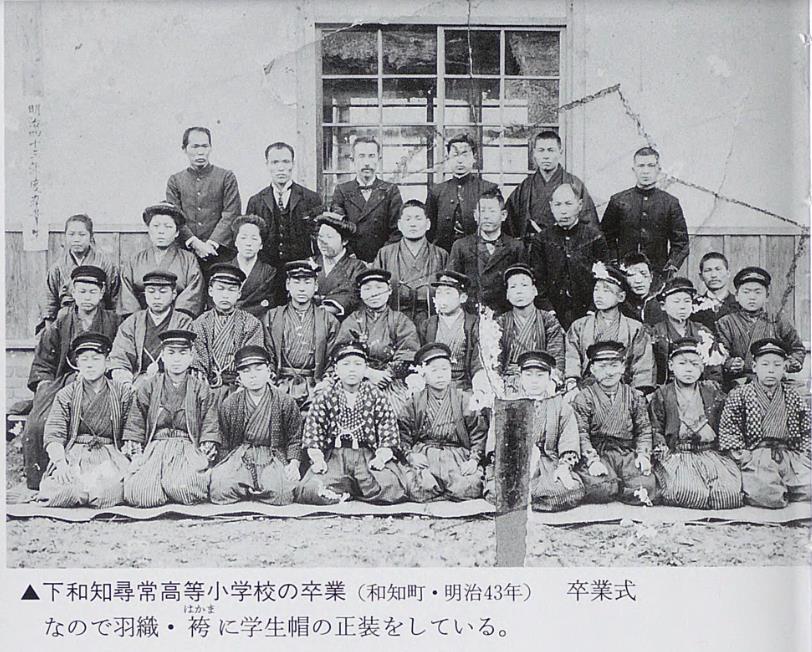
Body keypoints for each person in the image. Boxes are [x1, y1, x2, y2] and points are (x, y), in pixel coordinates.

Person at [22, 265, 121, 490]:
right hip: (63, 380)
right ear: (73, 292)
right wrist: (46, 389)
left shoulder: (114, 321)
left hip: (102, 381)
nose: (87, 297)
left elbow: (121, 356)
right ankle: (40, 480)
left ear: (102, 292)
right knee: (39, 423)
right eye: (82, 291)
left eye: (92, 291)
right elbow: (44, 364)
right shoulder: (61, 321)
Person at [296, 341, 407, 505]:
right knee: (311, 489)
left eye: (358, 364)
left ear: (365, 368)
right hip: (335, 456)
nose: (352, 369)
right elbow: (314, 431)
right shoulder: (325, 397)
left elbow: (388, 430)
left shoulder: (377, 396)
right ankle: (345, 491)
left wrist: (381, 458)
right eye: (346, 364)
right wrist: (318, 459)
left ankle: (351, 489)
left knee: (390, 488)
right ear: (336, 370)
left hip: (367, 454)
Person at [122, 330, 220, 507]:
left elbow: (210, 424)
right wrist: (136, 455)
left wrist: (204, 455)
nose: (176, 359)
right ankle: (160, 486)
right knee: (140, 494)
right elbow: (135, 423)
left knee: (184, 488)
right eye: (171, 353)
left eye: (182, 353)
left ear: (191, 357)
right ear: (163, 356)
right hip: (155, 448)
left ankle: (169, 485)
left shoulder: (201, 389)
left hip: (187, 448)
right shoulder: (149, 386)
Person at [37, 333, 133, 508]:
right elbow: (54, 434)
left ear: (107, 362)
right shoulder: (67, 394)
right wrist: (61, 464)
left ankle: (92, 493)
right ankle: (80, 491)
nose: (89, 364)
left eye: (96, 359)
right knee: (64, 491)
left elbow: (131, 431)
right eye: (84, 359)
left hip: (110, 455)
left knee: (109, 493)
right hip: (76, 454)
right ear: (77, 363)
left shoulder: (122, 393)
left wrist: (129, 459)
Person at [648, 337, 742, 510]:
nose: (688, 369)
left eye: (695, 364)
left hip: (709, 452)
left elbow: (727, 422)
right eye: (682, 363)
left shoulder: (712, 390)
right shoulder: (663, 394)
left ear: (702, 367)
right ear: (671, 365)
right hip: (678, 454)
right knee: (690, 493)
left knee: (728, 495)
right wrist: (662, 449)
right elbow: (655, 428)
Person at [718, 338, 811, 508]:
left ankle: (787, 485)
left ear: (784, 368)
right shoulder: (740, 394)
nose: (771, 370)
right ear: (754, 367)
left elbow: (807, 429)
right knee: (768, 495)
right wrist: (744, 457)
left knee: (809, 487)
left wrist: (803, 455)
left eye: (777, 365)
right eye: (765, 364)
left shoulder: (793, 395)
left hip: (788, 455)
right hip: (756, 456)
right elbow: (729, 430)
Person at [210, 346, 303, 505]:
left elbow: (295, 439)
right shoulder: (231, 403)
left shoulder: (284, 401)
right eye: (246, 371)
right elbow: (224, 440)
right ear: (239, 376)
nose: (253, 375)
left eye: (258, 369)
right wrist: (223, 466)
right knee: (219, 489)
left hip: (272, 455)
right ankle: (251, 488)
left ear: (268, 371)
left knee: (282, 493)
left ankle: (249, 489)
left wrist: (294, 464)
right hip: (241, 455)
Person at [572, 341, 659, 505]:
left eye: (614, 366)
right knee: (599, 488)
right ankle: (617, 487)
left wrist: (643, 455)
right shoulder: (584, 397)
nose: (609, 372)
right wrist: (592, 461)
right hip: (599, 452)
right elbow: (581, 434)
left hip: (626, 453)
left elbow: (643, 430)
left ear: (622, 368)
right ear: (592, 369)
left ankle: (621, 486)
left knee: (646, 485)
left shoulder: (634, 396)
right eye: (602, 366)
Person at [399, 343, 487, 502]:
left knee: (469, 486)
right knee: (417, 487)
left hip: (456, 455)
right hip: (425, 454)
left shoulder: (463, 399)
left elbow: (478, 432)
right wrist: (411, 456)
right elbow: (403, 433)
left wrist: (473, 460)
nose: (440, 375)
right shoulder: (415, 402)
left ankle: (444, 489)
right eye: (434, 370)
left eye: (445, 369)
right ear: (423, 373)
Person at [332, 268, 421, 415]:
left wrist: (387, 374)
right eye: (367, 289)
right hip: (357, 378)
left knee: (397, 412)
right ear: (360, 293)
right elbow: (342, 353)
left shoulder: (400, 320)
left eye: (379, 288)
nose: (373, 294)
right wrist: (367, 372)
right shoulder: (353, 320)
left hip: (391, 380)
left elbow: (408, 353)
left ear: (389, 290)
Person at [245, 142, 324, 302]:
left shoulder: (311, 198)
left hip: (300, 271)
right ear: (267, 165)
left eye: (285, 162)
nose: (280, 168)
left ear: (293, 164)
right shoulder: (256, 201)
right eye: (275, 162)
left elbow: (318, 239)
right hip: (268, 274)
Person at [600, 146, 689, 281]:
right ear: (634, 169)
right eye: (641, 166)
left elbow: (681, 242)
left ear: (658, 170)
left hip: (657, 275)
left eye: (651, 166)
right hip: (624, 274)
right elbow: (605, 237)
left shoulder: (670, 203)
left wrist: (670, 268)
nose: (646, 171)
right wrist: (614, 263)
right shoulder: (618, 201)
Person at [527, 183, 609, 329]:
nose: (563, 211)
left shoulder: (595, 237)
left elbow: (604, 279)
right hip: (551, 315)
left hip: (589, 314)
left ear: (580, 205)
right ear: (551, 207)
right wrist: (549, 313)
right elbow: (538, 280)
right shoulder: (541, 239)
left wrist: (592, 311)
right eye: (558, 205)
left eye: (568, 204)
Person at [565, 263, 655, 394]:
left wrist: (637, 392)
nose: (599, 295)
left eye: (606, 290)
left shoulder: (635, 328)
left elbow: (642, 364)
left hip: (623, 390)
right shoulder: (579, 326)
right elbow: (572, 357)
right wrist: (572, 382)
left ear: (621, 297)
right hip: (586, 389)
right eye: (596, 290)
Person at [263, 260, 340, 412]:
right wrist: (270, 378)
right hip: (280, 382)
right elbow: (267, 352)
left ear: (315, 286)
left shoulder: (328, 320)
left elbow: (333, 357)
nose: (302, 288)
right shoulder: (273, 316)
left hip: (315, 385)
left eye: (307, 282)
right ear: (287, 285)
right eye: (296, 282)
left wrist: (326, 381)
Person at [190, 264, 265, 414]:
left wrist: (242, 389)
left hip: (240, 387)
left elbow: (252, 362)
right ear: (211, 291)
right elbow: (198, 364)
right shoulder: (200, 323)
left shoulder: (251, 323)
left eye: (231, 290)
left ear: (239, 293)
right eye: (220, 289)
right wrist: (203, 390)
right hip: (208, 388)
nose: (225, 295)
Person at [715, 267, 806, 388]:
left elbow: (797, 348)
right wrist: (730, 363)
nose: (752, 297)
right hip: (740, 383)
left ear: (767, 296)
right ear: (736, 295)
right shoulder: (725, 323)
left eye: (758, 292)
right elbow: (720, 354)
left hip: (775, 381)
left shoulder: (777, 320)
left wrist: (791, 362)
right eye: (746, 292)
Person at [505, 130, 597, 247]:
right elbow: (509, 225)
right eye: (541, 150)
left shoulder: (575, 184)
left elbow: (589, 226)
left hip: (564, 248)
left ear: (560, 152)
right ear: (534, 153)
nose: (546, 156)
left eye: (551, 150)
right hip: (531, 248)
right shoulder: (525, 187)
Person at [518, 351, 584, 512]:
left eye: (540, 375)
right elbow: (499, 441)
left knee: (567, 490)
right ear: (520, 378)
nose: (534, 381)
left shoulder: (560, 405)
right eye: (528, 375)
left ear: (549, 378)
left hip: (548, 462)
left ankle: (530, 497)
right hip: (518, 462)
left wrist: (564, 467)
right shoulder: (510, 403)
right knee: (497, 489)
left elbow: (569, 438)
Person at [166, 126, 241, 267]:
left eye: (205, 146)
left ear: (210, 148)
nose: (200, 152)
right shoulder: (175, 181)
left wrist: (211, 244)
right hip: (185, 254)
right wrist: (195, 243)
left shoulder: (226, 177)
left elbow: (231, 213)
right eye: (194, 147)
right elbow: (175, 217)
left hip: (220, 254)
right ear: (184, 149)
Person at [108, 270, 194, 389]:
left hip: (173, 382)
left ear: (174, 294)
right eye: (151, 291)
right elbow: (120, 358)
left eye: (163, 292)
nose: (156, 297)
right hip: (136, 383)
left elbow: (186, 359)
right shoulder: (132, 322)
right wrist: (126, 383)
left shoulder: (184, 322)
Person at [118, 202, 205, 318]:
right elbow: (127, 297)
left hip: (178, 321)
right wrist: (138, 321)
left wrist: (175, 320)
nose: (161, 231)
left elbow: (193, 295)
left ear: (177, 233)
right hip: (140, 320)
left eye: (168, 227)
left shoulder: (189, 260)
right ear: (148, 230)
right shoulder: (135, 260)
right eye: (156, 226)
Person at [38, 213, 120, 334]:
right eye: (71, 234)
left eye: (82, 234)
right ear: (65, 236)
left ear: (91, 236)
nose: (76, 239)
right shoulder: (57, 267)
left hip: (99, 320)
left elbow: (115, 299)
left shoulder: (105, 264)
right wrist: (51, 332)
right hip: (66, 322)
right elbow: (49, 302)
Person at [449, 188, 525, 314]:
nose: (486, 216)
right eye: (482, 211)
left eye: (492, 211)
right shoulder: (461, 246)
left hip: (505, 314)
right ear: (475, 215)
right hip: (471, 315)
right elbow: (452, 285)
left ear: (503, 215)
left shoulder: (515, 247)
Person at [374, 199, 448, 327]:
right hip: (393, 321)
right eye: (408, 219)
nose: (413, 224)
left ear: (428, 224)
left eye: (418, 219)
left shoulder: (441, 255)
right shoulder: (385, 254)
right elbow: (375, 290)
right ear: (399, 225)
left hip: (431, 321)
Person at [330, 136, 403, 262]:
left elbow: (397, 231)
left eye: (371, 156)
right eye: (361, 156)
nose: (367, 162)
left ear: (378, 159)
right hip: (351, 261)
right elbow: (338, 229)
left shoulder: (391, 190)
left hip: (383, 261)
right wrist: (352, 258)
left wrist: (380, 259)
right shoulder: (342, 190)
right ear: (352, 160)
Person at [497, 264, 565, 394]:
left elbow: (556, 357)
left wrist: (553, 381)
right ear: (507, 294)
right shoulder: (501, 322)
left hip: (541, 378)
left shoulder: (548, 320)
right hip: (508, 381)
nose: (519, 291)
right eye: (513, 287)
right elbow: (495, 361)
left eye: (524, 285)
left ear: (535, 290)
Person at [425, 133, 498, 252]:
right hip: (444, 254)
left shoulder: (488, 189)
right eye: (455, 155)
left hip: (477, 254)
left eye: (465, 155)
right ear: (447, 157)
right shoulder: (436, 191)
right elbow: (429, 230)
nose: (460, 160)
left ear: (474, 158)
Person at [650, 277, 724, 385]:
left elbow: (714, 371)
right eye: (676, 301)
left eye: (687, 301)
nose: (682, 307)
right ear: (663, 306)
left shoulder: (703, 333)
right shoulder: (653, 334)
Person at [418, 271, 483, 392]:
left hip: (464, 385)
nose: (442, 299)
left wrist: (479, 381)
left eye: (448, 293)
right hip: (433, 384)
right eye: (439, 293)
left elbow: (478, 360)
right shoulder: (428, 325)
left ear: (463, 298)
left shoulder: (474, 324)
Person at [311, 212, 368, 320]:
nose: (323, 242)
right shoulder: (309, 263)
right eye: (320, 237)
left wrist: (326, 309)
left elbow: (351, 296)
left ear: (345, 240)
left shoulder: (357, 267)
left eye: (329, 237)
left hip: (344, 322)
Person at [226, 214, 278, 319]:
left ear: (261, 245)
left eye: (254, 239)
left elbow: (266, 303)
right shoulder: (225, 269)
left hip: (257, 320)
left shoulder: (269, 272)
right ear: (235, 242)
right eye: (243, 238)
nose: (248, 243)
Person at [691, 251, 738, 330]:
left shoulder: (739, 305)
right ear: (701, 276)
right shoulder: (692, 305)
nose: (713, 275)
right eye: (708, 270)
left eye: (718, 269)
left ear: (728, 273)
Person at [619, 252, 666, 326]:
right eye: (632, 275)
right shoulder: (620, 306)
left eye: (643, 274)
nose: (638, 281)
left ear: (651, 277)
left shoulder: (662, 305)